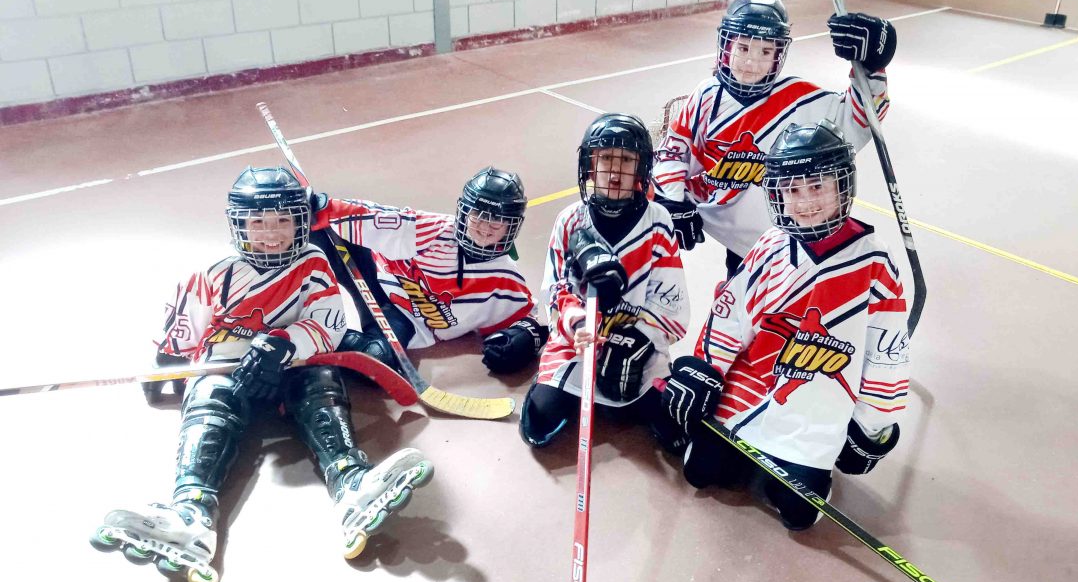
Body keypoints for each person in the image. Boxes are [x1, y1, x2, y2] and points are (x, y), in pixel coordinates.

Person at [91, 167, 434, 582]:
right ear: (239, 224)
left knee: (320, 378)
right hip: (228, 370)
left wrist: (284, 344)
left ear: (300, 222)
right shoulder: (213, 274)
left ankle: (351, 484)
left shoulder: (314, 264)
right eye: (258, 222)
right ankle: (191, 514)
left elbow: (327, 324)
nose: (271, 233)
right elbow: (182, 332)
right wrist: (167, 360)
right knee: (209, 395)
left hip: (291, 368)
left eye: (283, 221)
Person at [658, 121, 910, 530]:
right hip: (749, 390)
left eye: (817, 187)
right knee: (700, 472)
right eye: (793, 190)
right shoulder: (771, 244)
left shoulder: (876, 263)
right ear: (777, 194)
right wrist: (706, 370)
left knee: (799, 515)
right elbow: (731, 315)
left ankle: (800, 470)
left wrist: (872, 423)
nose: (805, 201)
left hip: (818, 406)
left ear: (841, 186)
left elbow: (887, 354)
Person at [652, 0, 896, 278]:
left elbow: (863, 117)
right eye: (743, 48)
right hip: (738, 247)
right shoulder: (706, 96)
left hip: (788, 244)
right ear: (726, 46)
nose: (751, 63)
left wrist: (874, 62)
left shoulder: (800, 99)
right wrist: (672, 200)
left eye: (764, 52)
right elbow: (674, 152)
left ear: (779, 55)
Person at [520, 113, 689, 448]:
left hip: (639, 347)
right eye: (606, 158)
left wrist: (632, 339)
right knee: (538, 426)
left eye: (626, 160)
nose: (615, 171)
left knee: (672, 429)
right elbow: (553, 292)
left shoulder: (658, 222)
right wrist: (578, 323)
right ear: (589, 165)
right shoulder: (570, 220)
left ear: (642, 169)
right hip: (577, 346)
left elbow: (672, 304)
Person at [310, 166, 547, 375]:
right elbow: (378, 216)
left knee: (376, 362)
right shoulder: (435, 229)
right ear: (464, 212)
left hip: (403, 317)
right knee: (314, 226)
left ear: (512, 225)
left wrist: (523, 340)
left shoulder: (504, 277)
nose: (484, 227)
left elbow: (530, 320)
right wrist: (325, 206)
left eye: (497, 220)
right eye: (478, 215)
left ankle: (331, 341)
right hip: (373, 277)